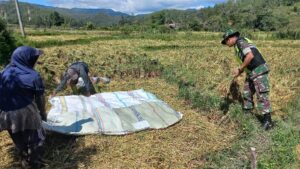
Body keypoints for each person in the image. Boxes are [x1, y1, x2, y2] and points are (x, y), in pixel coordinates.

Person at [0, 46, 47, 168]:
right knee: (36, 139)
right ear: (28, 60)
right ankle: (34, 162)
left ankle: (24, 158)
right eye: (34, 59)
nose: (35, 61)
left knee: (18, 137)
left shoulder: (4, 73)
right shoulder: (33, 76)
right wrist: (43, 114)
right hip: (26, 113)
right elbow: (40, 99)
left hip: (6, 114)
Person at [221, 29, 273, 130]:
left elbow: (250, 55)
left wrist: (239, 69)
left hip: (258, 70)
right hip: (251, 72)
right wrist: (239, 72)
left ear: (230, 38)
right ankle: (247, 115)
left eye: (226, 41)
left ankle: (268, 121)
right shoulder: (237, 46)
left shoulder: (240, 42)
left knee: (261, 95)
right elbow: (246, 60)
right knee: (246, 93)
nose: (226, 44)